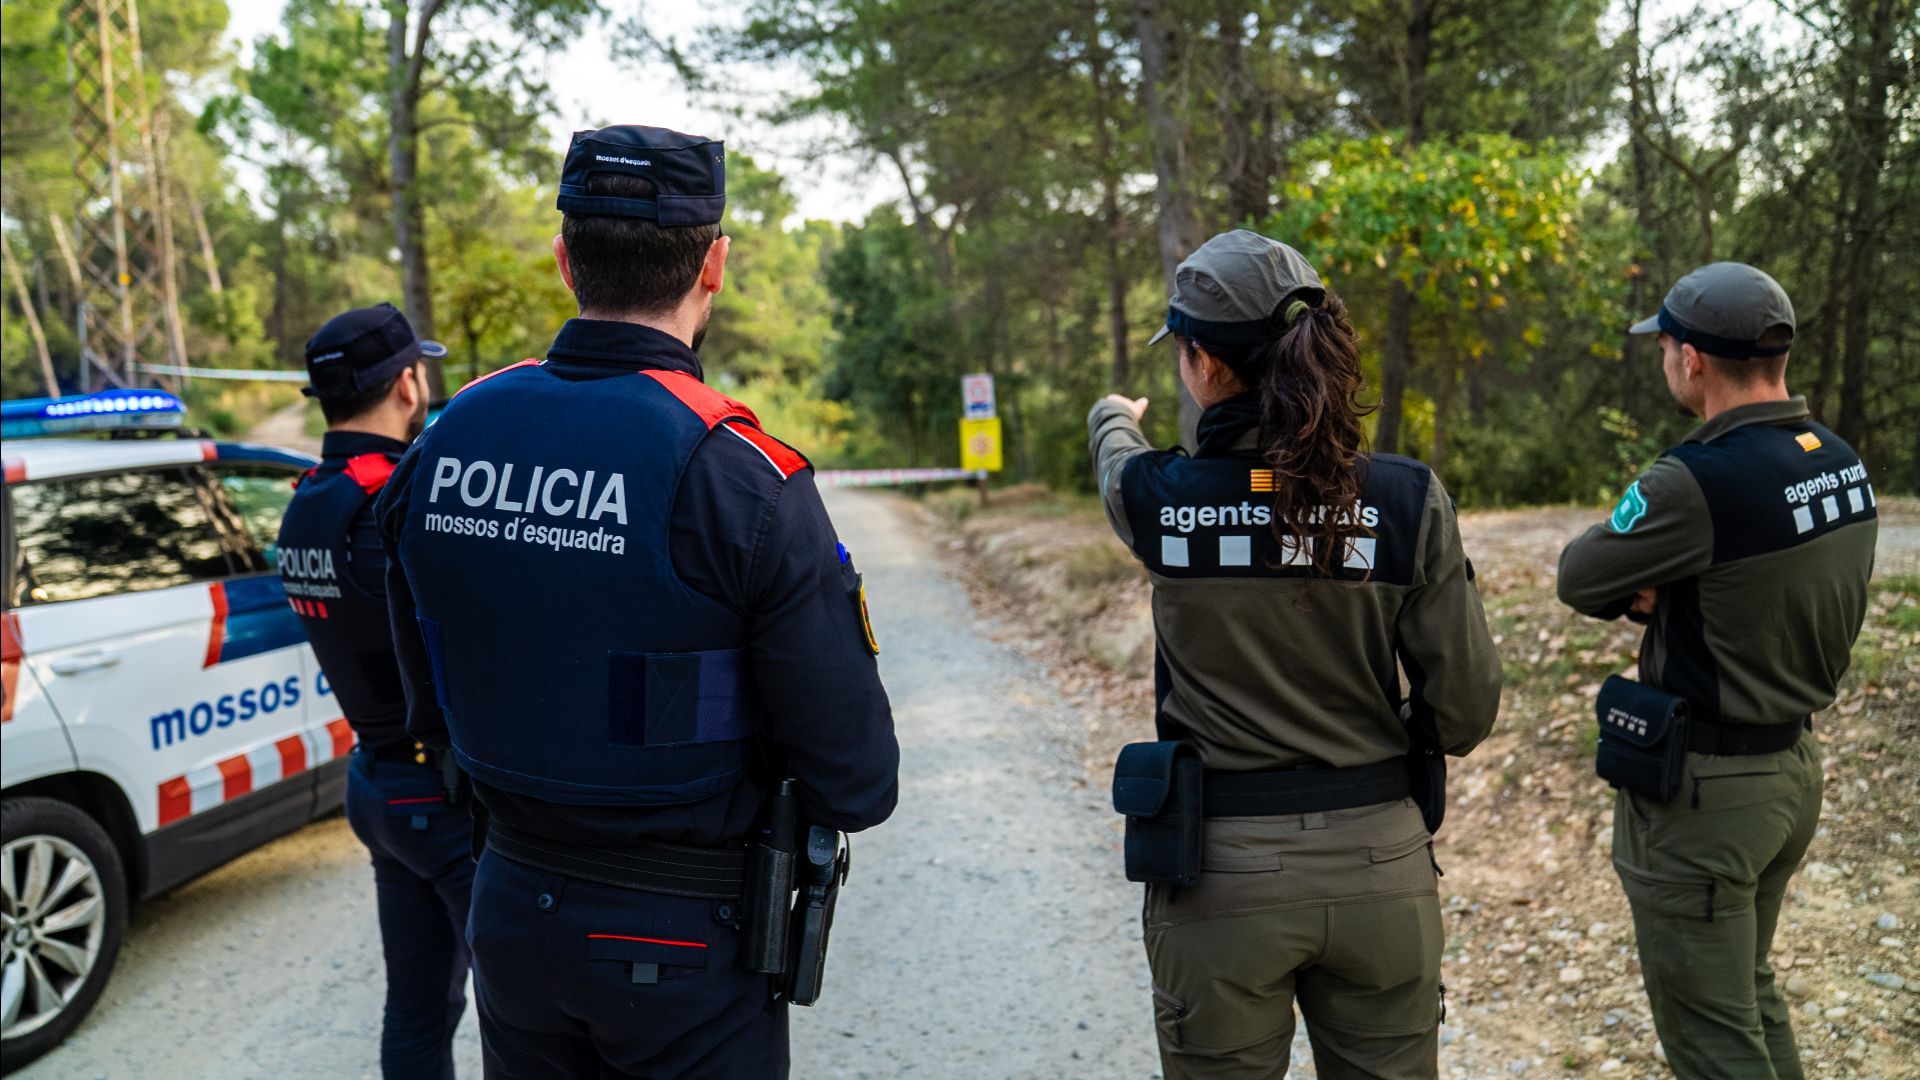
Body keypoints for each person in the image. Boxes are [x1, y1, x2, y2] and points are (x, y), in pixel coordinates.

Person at [374, 124, 900, 1079]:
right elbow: (856, 780)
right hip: (683, 944)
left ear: (564, 258)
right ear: (714, 265)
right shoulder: (744, 477)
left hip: (509, 909)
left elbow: (426, 697)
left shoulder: (447, 441)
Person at [1090, 229, 1503, 1079]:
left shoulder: (1159, 500)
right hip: (1381, 866)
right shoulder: (1406, 499)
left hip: (1221, 881)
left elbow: (1115, 463)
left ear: (1205, 364)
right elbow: (1465, 710)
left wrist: (1111, 414)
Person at [1557, 262, 1877, 1080]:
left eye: (1665, 347)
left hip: (1708, 798)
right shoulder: (1839, 460)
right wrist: (1683, 593)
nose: (1666, 360)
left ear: (1692, 359)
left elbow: (1580, 576)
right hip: (1792, 772)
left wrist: (1658, 593)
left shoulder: (1696, 478)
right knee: (1747, 996)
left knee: (1712, 1040)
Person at [276, 304, 473, 1080]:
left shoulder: (306, 502)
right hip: (441, 797)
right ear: (407, 384)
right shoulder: (396, 504)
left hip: (377, 785)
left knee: (417, 1014)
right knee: (529, 1018)